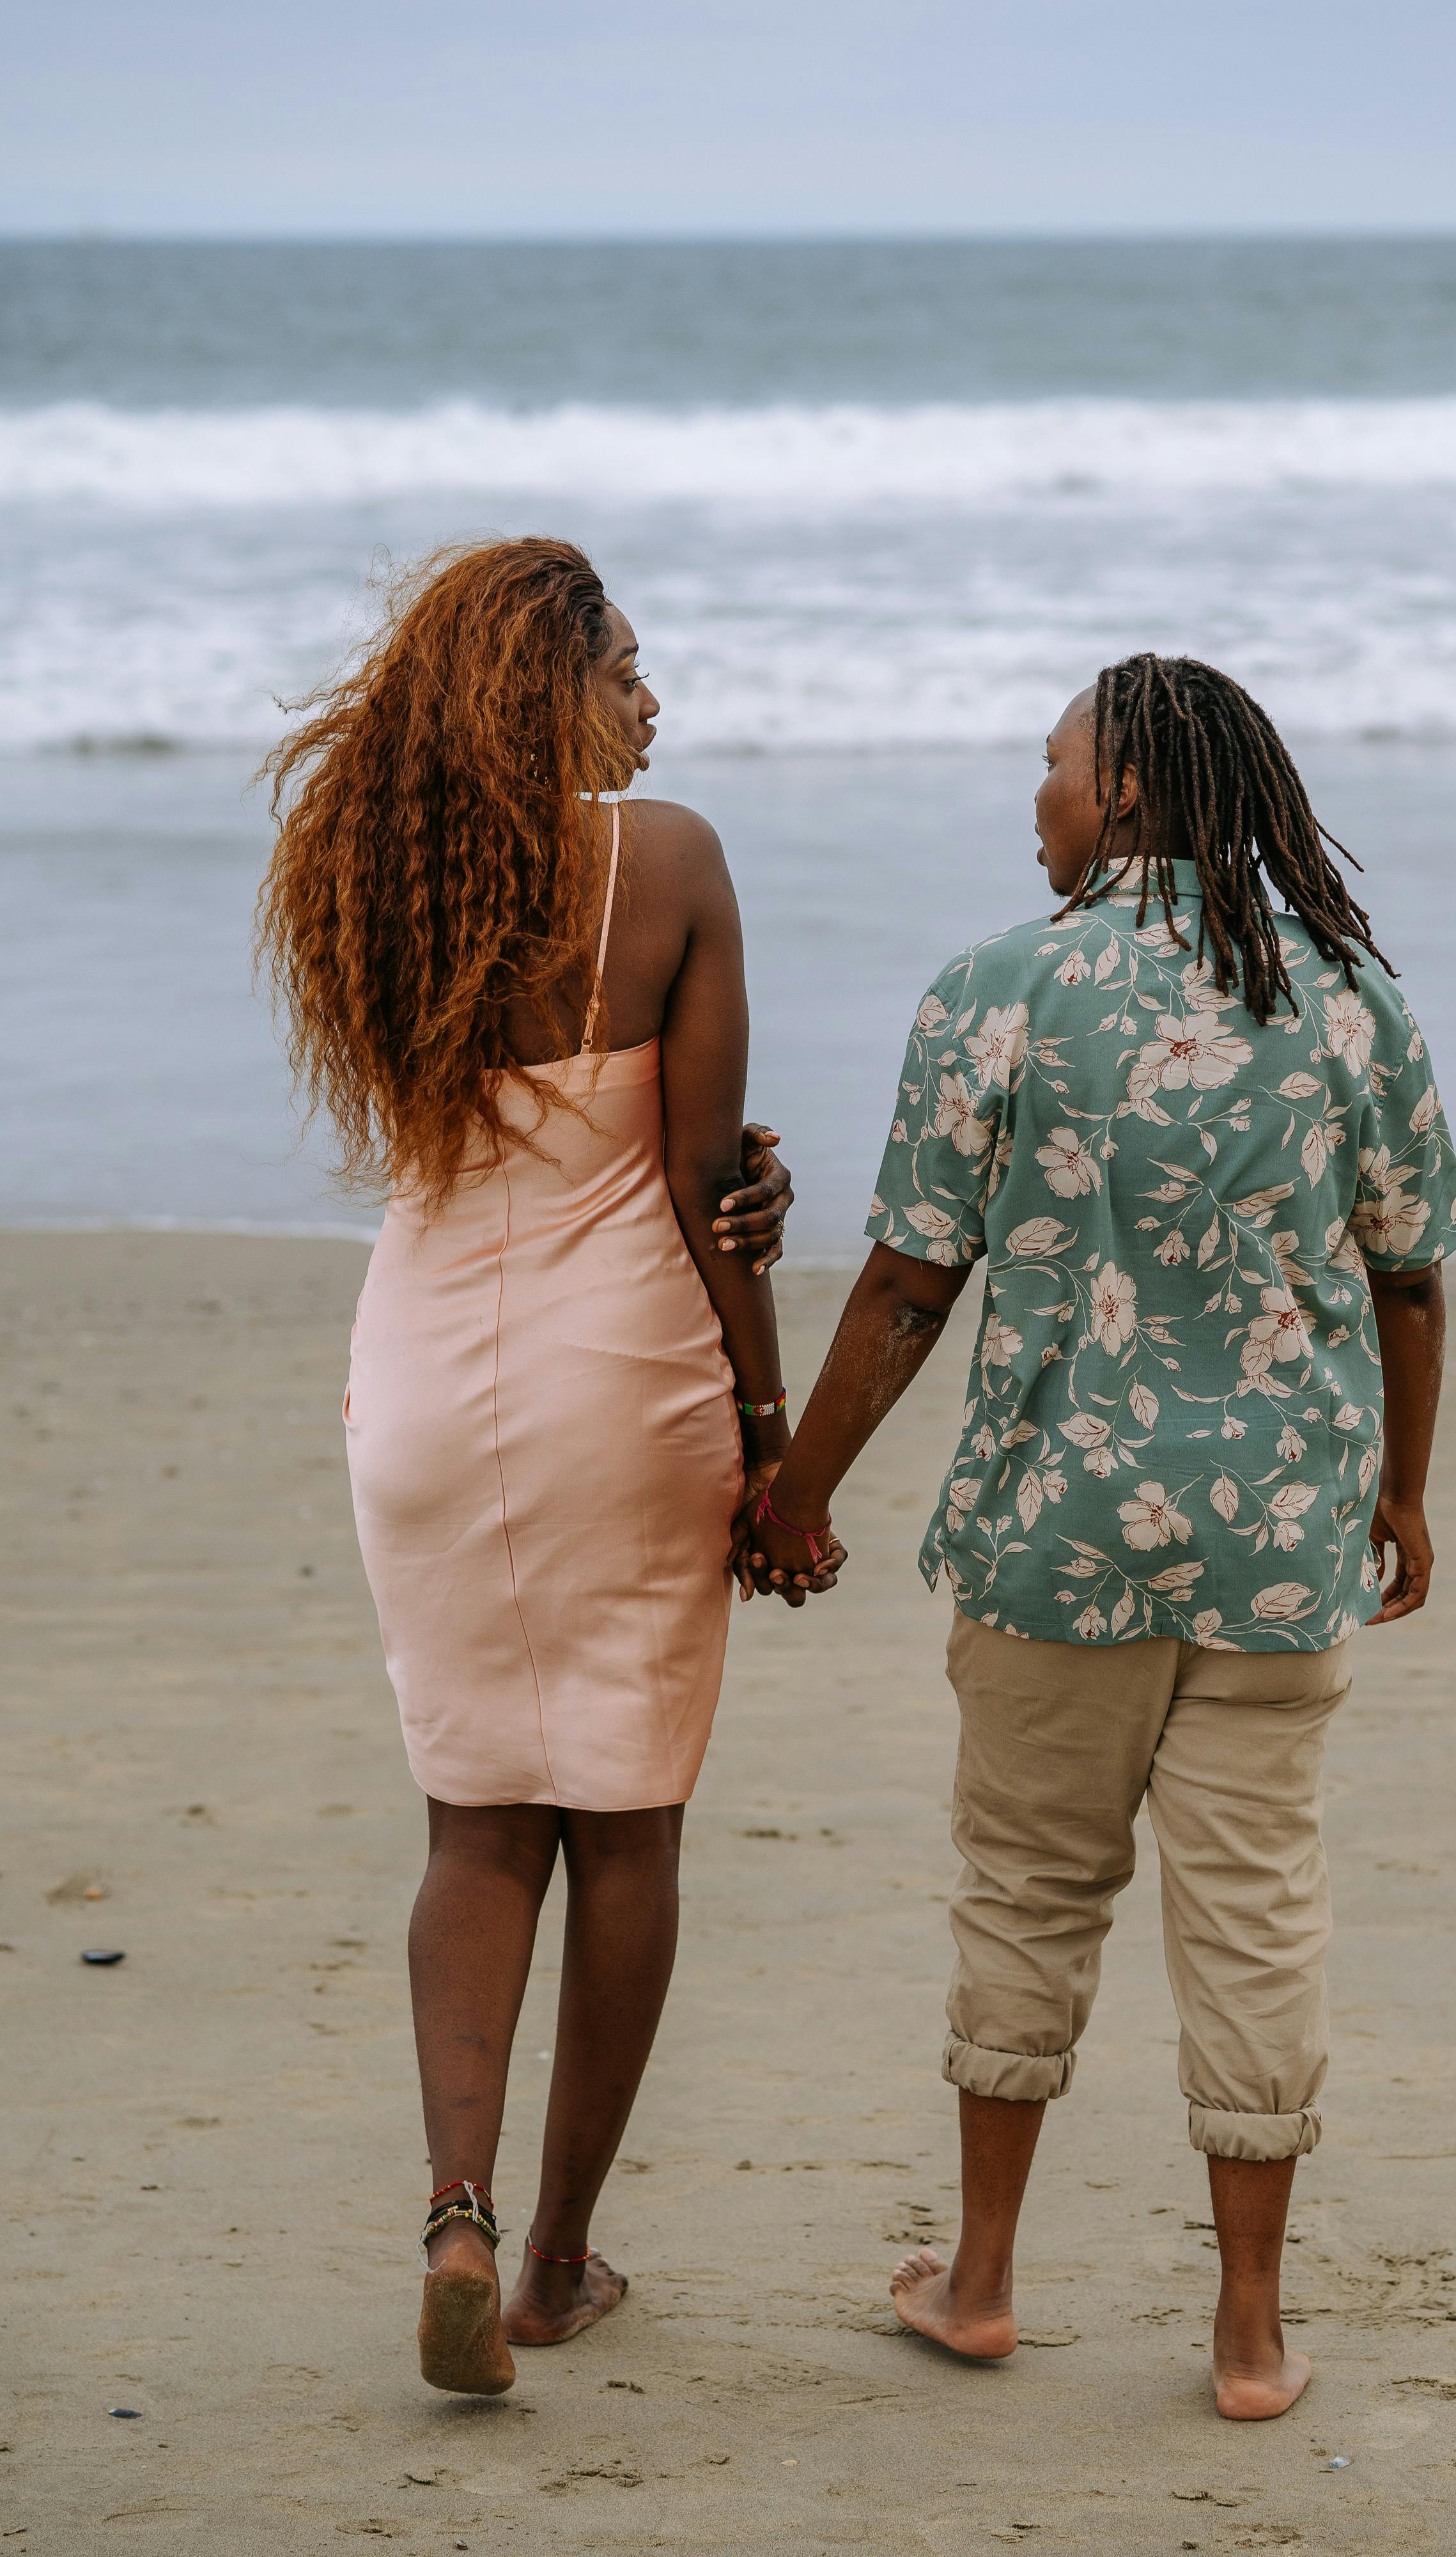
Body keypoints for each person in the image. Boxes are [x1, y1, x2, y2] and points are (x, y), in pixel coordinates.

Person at [736, 653, 1456, 2420]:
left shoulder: (999, 989)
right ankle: (1246, 2334)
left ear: (1126, 792)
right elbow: (1409, 1272)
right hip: (1279, 1551)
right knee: (1255, 1915)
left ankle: (980, 2284)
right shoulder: (1349, 995)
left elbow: (913, 1282)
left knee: (1028, 1890)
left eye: (1052, 765)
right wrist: (1398, 1490)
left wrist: (798, 1487)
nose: (1036, 795)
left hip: (1052, 1542)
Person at [257, 536, 833, 2398]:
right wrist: (771, 1443)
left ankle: (454, 2209)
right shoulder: (660, 864)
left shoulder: (360, 876)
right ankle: (563, 2261)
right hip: (624, 1385)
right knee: (628, 1819)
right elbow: (694, 1194)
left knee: (474, 1821)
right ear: (548, 686)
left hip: (421, 1383)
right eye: (627, 669)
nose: (651, 704)